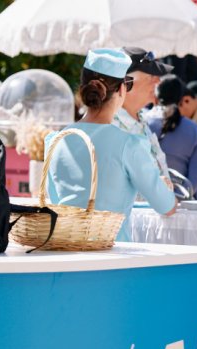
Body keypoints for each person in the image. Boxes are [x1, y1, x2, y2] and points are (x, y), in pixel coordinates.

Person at [44, 49, 176, 242]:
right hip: (113, 256)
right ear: (122, 90)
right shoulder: (129, 144)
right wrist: (166, 189)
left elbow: (54, 200)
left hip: (67, 252)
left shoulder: (55, 140)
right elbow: (166, 206)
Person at [113, 47, 173, 187]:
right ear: (127, 83)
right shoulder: (111, 128)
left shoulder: (140, 119)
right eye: (151, 76)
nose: (158, 81)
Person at [148, 76, 197, 200]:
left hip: (147, 203)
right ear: (182, 100)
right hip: (187, 207)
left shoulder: (139, 124)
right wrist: (173, 200)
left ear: (155, 98)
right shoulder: (194, 130)